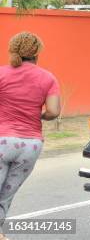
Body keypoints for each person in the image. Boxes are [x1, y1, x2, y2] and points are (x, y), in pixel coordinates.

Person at [0, 33, 61, 234]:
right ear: (37, 53)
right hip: (30, 146)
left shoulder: (2, 74)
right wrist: (39, 115)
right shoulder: (48, 78)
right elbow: (53, 111)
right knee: (5, 197)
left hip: (2, 141)